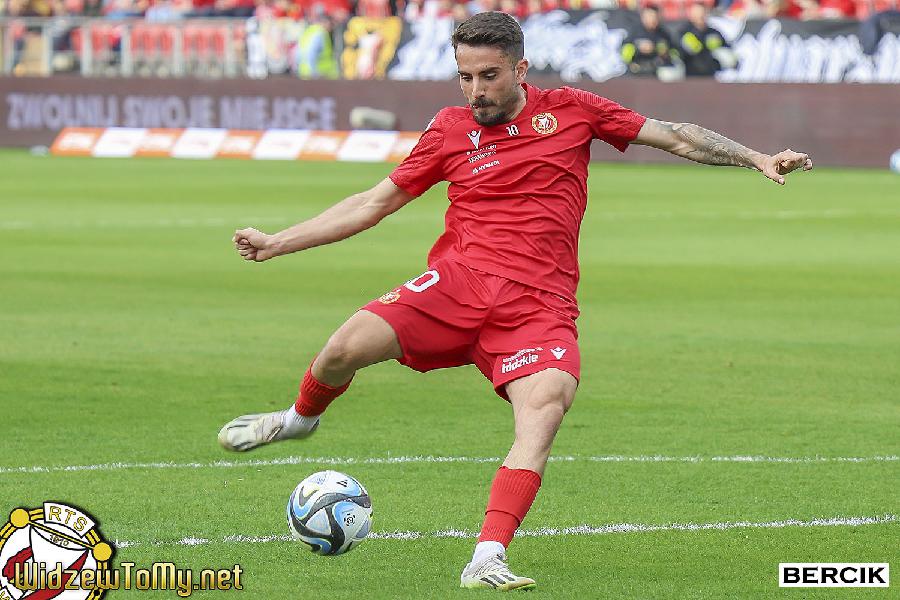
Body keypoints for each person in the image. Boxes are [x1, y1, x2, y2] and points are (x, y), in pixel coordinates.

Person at [218, 10, 813, 591]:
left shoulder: (574, 110)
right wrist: (279, 242)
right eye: (465, 77)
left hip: (537, 307)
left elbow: (675, 135)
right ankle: (300, 419)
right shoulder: (450, 129)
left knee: (545, 409)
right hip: (456, 286)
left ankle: (487, 556)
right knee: (341, 350)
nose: (476, 90)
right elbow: (373, 203)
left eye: (489, 76)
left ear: (520, 69)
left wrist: (757, 158)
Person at [621, 5, 681, 79]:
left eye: (654, 17)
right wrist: (638, 48)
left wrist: (661, 51)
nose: (652, 20)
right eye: (649, 16)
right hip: (636, 72)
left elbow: (675, 53)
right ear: (643, 17)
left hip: (656, 73)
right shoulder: (634, 32)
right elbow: (624, 53)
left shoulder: (663, 34)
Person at [678, 1, 736, 77]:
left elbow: (727, 50)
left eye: (703, 13)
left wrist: (726, 56)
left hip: (711, 75)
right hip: (691, 76)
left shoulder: (713, 33)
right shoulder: (684, 32)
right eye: (697, 13)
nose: (700, 16)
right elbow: (678, 52)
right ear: (692, 14)